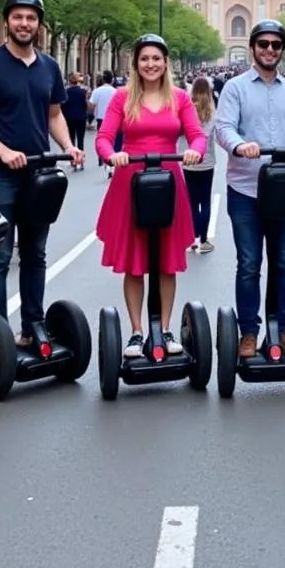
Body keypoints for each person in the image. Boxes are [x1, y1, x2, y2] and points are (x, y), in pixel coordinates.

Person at [0, 0, 85, 348]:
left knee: (35, 253)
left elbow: (54, 114)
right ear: (7, 22)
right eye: (18, 17)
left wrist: (68, 146)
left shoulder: (49, 66)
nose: (24, 23)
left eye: (31, 18)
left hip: (38, 173)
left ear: (39, 25)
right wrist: (2, 151)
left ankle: (33, 325)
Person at [95, 35, 206, 357]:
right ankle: (136, 331)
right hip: (132, 180)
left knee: (165, 264)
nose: (151, 64)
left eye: (156, 58)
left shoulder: (180, 98)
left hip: (168, 179)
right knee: (135, 262)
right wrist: (112, 155)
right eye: (144, 59)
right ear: (136, 64)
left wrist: (194, 153)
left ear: (166, 62)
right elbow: (104, 138)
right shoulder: (121, 98)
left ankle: (166, 329)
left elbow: (197, 136)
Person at [215, 20, 285, 359]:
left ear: (282, 50)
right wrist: (240, 145)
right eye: (264, 44)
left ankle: (282, 329)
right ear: (253, 48)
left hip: (283, 188)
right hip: (245, 188)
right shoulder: (235, 88)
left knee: (283, 263)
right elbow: (224, 127)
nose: (270, 50)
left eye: (276, 45)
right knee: (249, 263)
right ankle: (248, 332)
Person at [182, 76, 217, 253]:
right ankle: (203, 240)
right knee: (205, 201)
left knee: (192, 202)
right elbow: (208, 134)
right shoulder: (211, 111)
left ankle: (192, 238)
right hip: (207, 161)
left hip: (188, 160)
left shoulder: (187, 109)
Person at [90, 71, 117, 174]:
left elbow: (91, 106)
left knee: (101, 139)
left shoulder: (97, 91)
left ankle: (102, 159)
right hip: (114, 119)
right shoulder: (115, 92)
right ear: (112, 79)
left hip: (101, 119)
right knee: (112, 140)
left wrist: (92, 115)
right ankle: (110, 159)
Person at [63, 72, 89, 168]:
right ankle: (81, 161)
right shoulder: (83, 92)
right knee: (80, 139)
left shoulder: (66, 92)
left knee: (72, 140)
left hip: (69, 118)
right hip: (81, 118)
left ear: (69, 81)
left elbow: (63, 105)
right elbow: (85, 104)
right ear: (77, 81)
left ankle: (73, 161)